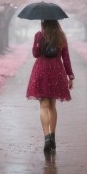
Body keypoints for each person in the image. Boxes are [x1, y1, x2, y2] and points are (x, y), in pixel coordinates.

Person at [26, 19, 75, 153]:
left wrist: (38, 43)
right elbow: (66, 58)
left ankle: (46, 137)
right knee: (52, 106)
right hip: (56, 70)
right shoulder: (61, 36)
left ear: (43, 23)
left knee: (43, 105)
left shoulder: (39, 35)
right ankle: (53, 137)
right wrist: (70, 76)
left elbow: (35, 54)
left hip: (41, 70)